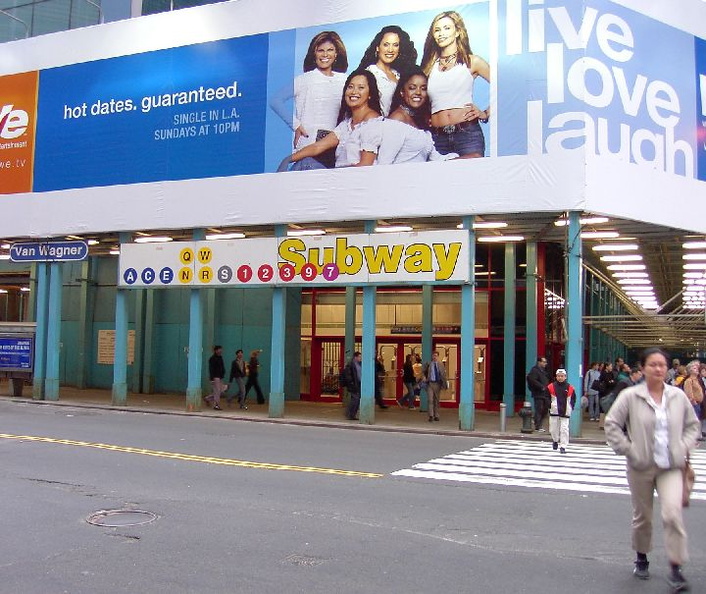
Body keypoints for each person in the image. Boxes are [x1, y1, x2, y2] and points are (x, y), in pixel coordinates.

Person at [605, 347, 700, 591]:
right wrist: (629, 449)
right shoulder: (631, 396)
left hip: (671, 466)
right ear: (643, 368)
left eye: (662, 365)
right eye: (653, 364)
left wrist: (682, 446)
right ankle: (642, 557)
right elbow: (612, 423)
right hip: (641, 467)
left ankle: (676, 568)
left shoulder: (677, 397)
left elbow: (693, 427)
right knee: (643, 516)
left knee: (672, 514)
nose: (658, 369)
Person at [270, 31, 348, 169]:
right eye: (320, 50)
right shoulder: (305, 79)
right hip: (310, 145)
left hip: (337, 146)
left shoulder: (344, 80)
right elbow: (275, 100)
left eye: (330, 50)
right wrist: (296, 125)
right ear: (314, 53)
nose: (325, 55)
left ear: (336, 54)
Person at [278, 69, 382, 171]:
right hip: (338, 178)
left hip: (354, 180)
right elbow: (317, 147)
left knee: (307, 164)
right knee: (306, 161)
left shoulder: (372, 121)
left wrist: (334, 174)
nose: (354, 92)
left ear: (370, 94)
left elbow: (365, 166)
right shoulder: (346, 124)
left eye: (361, 88)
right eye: (350, 87)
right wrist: (288, 159)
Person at [421, 10, 490, 158]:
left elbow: (504, 87)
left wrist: (485, 113)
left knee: (471, 177)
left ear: (458, 32)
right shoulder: (428, 67)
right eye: (437, 30)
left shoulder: (472, 61)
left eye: (447, 28)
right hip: (436, 138)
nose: (441, 33)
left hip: (467, 134)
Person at [357, 68, 458, 165]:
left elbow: (435, 158)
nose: (418, 92)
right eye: (412, 88)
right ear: (402, 92)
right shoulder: (397, 119)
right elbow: (384, 162)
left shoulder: (417, 120)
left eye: (423, 89)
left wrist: (468, 157)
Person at [357, 25, 417, 116]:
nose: (390, 50)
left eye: (395, 45)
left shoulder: (398, 75)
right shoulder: (369, 74)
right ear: (377, 47)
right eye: (386, 44)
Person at [547, 368, 576, 454]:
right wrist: (550, 405)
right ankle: (555, 440)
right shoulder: (550, 387)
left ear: (565, 377)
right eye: (558, 376)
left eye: (562, 376)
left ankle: (563, 446)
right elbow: (546, 398)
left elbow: (573, 399)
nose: (560, 378)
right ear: (556, 377)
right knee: (553, 429)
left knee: (564, 429)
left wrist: (571, 407)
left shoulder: (570, 388)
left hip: (566, 411)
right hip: (554, 410)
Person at [526, 357, 550, 432]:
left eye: (546, 362)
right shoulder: (534, 370)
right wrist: (541, 387)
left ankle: (537, 421)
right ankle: (538, 425)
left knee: (545, 408)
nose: (545, 364)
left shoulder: (543, 371)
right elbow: (532, 380)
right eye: (544, 362)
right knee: (539, 409)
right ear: (539, 362)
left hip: (545, 393)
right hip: (538, 393)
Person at [423, 351, 447, 422]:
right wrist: (424, 377)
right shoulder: (429, 364)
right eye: (433, 355)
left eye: (436, 356)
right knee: (430, 400)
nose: (434, 357)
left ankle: (436, 414)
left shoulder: (440, 365)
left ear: (438, 356)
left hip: (437, 384)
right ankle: (431, 415)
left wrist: (444, 384)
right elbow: (423, 372)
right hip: (430, 383)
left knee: (436, 400)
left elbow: (443, 375)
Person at [682, 360, 704, 439]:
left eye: (696, 368)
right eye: (694, 368)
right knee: (693, 420)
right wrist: (693, 401)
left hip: (698, 403)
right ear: (690, 371)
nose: (697, 369)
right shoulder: (689, 380)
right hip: (694, 404)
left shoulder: (696, 380)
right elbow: (688, 393)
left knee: (697, 420)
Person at [205, 345, 227, 411]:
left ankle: (207, 398)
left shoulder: (220, 357)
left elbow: (222, 366)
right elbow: (211, 369)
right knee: (217, 391)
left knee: (220, 391)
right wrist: (212, 378)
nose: (220, 351)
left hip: (220, 377)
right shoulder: (212, 359)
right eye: (219, 349)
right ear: (215, 350)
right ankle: (216, 405)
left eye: (221, 349)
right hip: (215, 377)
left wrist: (223, 373)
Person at [342, 351, 362, 420]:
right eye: (359, 357)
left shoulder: (359, 364)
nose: (360, 358)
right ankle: (350, 413)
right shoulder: (351, 365)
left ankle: (351, 414)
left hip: (358, 384)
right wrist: (351, 383)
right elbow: (348, 375)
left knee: (356, 399)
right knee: (356, 399)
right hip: (353, 385)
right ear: (355, 357)